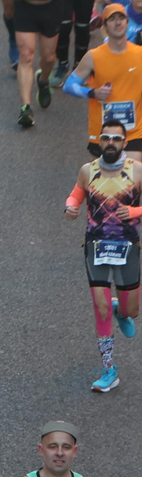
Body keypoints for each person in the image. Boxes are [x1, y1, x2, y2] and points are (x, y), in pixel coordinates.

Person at [62, 119, 142, 391]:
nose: (110, 143)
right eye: (106, 138)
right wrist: (70, 207)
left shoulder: (137, 171)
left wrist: (133, 212)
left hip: (128, 246)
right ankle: (109, 369)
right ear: (99, 141)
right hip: (96, 246)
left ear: (125, 143)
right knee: (101, 307)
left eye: (116, 139)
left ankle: (123, 310)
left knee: (133, 309)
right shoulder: (88, 170)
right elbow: (75, 196)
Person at [66, 5, 142, 155]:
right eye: (112, 19)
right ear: (105, 26)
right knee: (105, 177)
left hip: (134, 132)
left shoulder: (139, 54)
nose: (118, 23)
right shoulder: (94, 56)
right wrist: (92, 93)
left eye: (121, 18)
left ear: (127, 23)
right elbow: (69, 85)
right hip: (103, 133)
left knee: (133, 175)